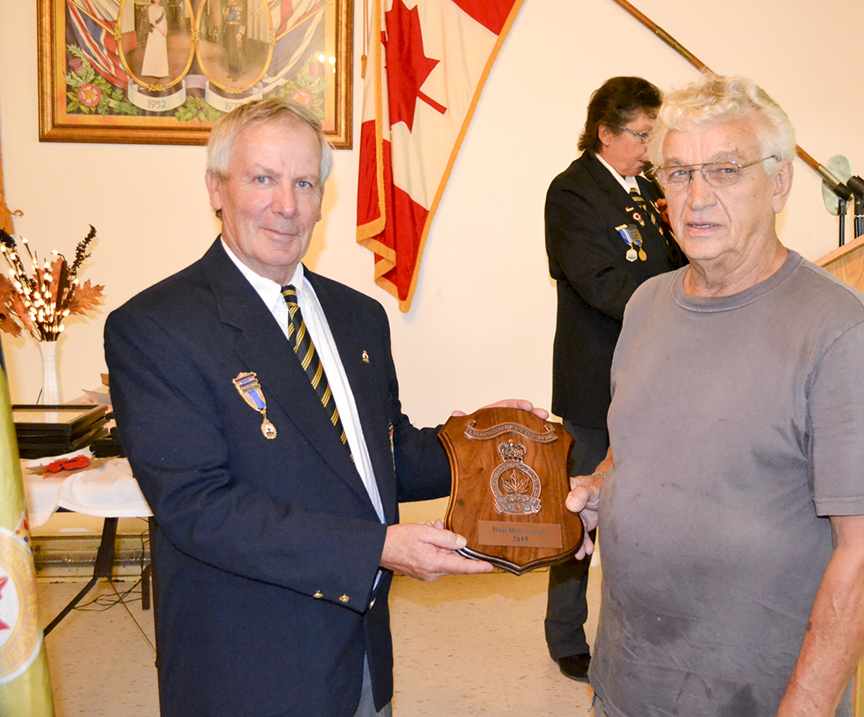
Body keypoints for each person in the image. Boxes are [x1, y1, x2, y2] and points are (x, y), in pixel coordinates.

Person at [104, 98, 543, 717]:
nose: (287, 205)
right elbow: (199, 508)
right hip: (250, 664)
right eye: (263, 179)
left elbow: (380, 457)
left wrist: (484, 439)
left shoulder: (358, 317)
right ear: (216, 188)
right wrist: (377, 550)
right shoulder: (156, 327)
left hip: (360, 647)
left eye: (304, 183)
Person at [571, 75, 864, 717]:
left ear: (779, 183)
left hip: (756, 696)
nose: (696, 197)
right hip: (627, 682)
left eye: (725, 171)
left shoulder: (840, 333)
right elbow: (631, 449)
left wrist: (806, 706)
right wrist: (601, 488)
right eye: (677, 173)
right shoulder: (646, 305)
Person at [543, 76, 684, 683]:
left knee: (653, 512)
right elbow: (600, 284)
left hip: (658, 374)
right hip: (596, 382)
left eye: (654, 135)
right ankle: (565, 635)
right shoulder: (572, 192)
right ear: (606, 132)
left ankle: (647, 630)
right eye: (642, 135)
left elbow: (679, 258)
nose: (650, 149)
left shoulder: (648, 188)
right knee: (580, 515)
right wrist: (677, 300)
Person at [140, 0, 169, 79]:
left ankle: (161, 72)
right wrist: (161, 30)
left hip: (162, 32)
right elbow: (152, 21)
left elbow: (165, 21)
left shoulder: (162, 8)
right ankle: (151, 71)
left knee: (161, 50)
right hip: (156, 31)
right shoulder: (151, 8)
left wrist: (165, 30)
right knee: (154, 50)